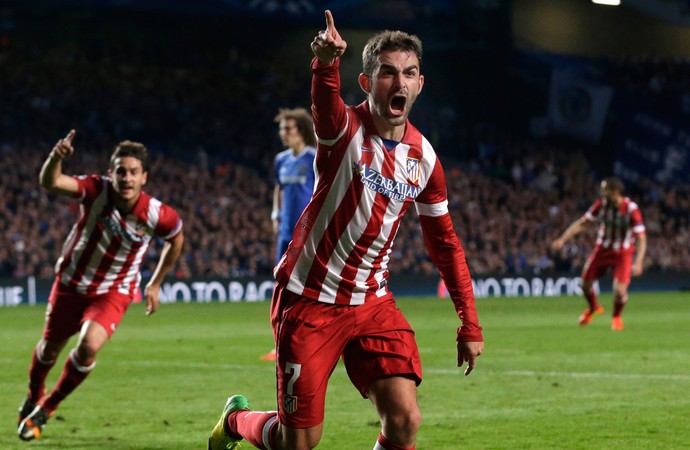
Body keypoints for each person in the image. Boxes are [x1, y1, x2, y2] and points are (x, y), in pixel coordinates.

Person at [209, 10, 483, 450]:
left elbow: (445, 243)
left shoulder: (425, 159)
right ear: (367, 82)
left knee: (405, 419)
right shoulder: (344, 128)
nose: (399, 83)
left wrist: (469, 321)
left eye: (409, 73)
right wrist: (325, 62)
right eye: (388, 73)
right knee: (297, 441)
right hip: (309, 299)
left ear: (420, 84)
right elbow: (323, 100)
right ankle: (236, 420)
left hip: (372, 303)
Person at [17, 130, 184, 441]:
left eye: (134, 172)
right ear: (111, 173)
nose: (127, 178)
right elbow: (50, 182)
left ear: (144, 177)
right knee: (48, 350)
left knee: (89, 346)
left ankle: (47, 408)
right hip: (70, 283)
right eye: (121, 171)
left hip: (113, 290)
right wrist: (56, 158)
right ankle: (33, 394)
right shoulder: (95, 189)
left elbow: (176, 238)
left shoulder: (157, 213)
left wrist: (156, 283)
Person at [551, 176, 646, 331]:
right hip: (602, 250)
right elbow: (582, 223)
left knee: (620, 291)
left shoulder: (631, 209)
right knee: (585, 284)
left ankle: (616, 317)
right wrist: (563, 239)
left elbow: (641, 237)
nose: (602, 192)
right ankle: (594, 308)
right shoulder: (601, 205)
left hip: (623, 253)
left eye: (605, 189)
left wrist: (639, 261)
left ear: (615, 191)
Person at [262, 108, 317, 361]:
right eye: (281, 129)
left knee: (311, 287)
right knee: (282, 286)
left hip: (309, 233)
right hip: (286, 232)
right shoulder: (281, 160)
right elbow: (279, 188)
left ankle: (318, 340)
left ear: (301, 131)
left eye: (288, 129)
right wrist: (275, 214)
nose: (283, 134)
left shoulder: (315, 158)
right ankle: (281, 342)